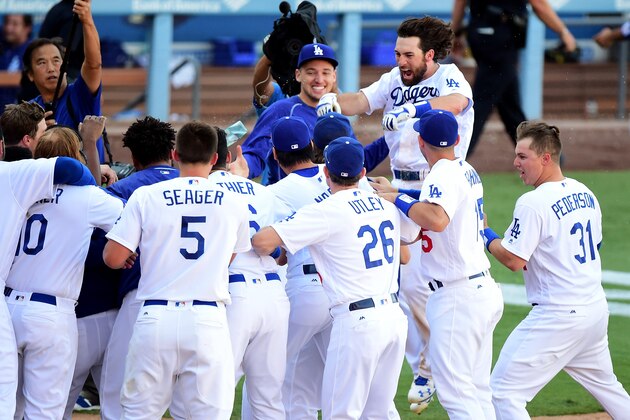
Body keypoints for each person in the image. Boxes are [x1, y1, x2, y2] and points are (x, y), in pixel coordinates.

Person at [317, 17, 475, 412]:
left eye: (408, 54)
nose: (401, 61)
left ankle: (434, 364)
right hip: (397, 187)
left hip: (439, 184)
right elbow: (361, 101)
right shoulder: (394, 80)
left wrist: (413, 111)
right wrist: (334, 100)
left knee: (431, 280)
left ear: (430, 55)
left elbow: (457, 103)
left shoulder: (450, 78)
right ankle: (426, 362)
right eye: (397, 54)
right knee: (397, 280)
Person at [252, 137, 421, 419]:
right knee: (378, 412)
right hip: (393, 319)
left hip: (357, 323)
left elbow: (262, 242)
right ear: (363, 173)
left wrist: (286, 236)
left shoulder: (326, 211)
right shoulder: (384, 205)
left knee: (340, 413)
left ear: (326, 172)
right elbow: (411, 240)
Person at [103, 121, 250, 418]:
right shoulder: (235, 201)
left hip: (155, 317)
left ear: (174, 154)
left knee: (137, 413)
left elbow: (113, 258)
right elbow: (229, 258)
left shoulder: (147, 196)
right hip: (208, 319)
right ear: (214, 159)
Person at [483, 120, 630, 418]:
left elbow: (513, 259)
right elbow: (596, 247)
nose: (515, 163)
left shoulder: (533, 203)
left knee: (503, 391)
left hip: (558, 316)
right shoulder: (585, 192)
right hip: (593, 311)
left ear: (546, 158)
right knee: (608, 387)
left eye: (523, 157)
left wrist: (485, 234)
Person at [382, 109, 504, 418]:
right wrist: (397, 192)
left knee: (457, 396)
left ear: (421, 142)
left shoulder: (441, 174)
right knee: (476, 391)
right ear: (457, 140)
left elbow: (436, 218)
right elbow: (436, 200)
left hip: (457, 298)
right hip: (480, 289)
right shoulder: (464, 169)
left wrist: (397, 199)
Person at [7, 126, 122, 419]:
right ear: (74, 155)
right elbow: (133, 220)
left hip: (7, 309)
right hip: (50, 314)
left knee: (9, 407)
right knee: (45, 411)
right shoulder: (87, 197)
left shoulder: (17, 189)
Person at [0, 138, 95, 418]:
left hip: (13, 302)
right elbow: (68, 167)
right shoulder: (9, 173)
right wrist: (90, 182)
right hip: (48, 312)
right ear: (2, 147)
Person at [205, 127, 291, 419]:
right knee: (268, 398)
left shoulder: (203, 190)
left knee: (215, 391)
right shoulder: (263, 192)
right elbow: (279, 253)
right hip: (274, 297)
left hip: (234, 295)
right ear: (228, 156)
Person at [98, 116, 179, 420]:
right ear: (172, 152)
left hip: (143, 303)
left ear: (133, 156)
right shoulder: (200, 185)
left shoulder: (125, 190)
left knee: (119, 399)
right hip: (203, 309)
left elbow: (103, 251)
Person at [240, 42, 388, 185]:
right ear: (298, 75)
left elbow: (355, 162)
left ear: (334, 76)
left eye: (325, 72)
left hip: (325, 203)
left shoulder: (336, 113)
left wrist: (392, 136)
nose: (319, 80)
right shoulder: (282, 110)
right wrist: (243, 168)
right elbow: (255, 151)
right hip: (286, 202)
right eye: (311, 72)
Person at [451, 0, 577, 156]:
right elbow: (538, 5)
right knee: (480, 105)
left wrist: (455, 31)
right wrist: (563, 31)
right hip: (500, 37)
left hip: (480, 33)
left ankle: (539, 154)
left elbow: (460, 2)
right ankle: (454, 157)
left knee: (510, 107)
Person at [23, 0, 107, 163]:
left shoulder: (80, 94)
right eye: (41, 62)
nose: (51, 68)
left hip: (88, 184)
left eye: (56, 60)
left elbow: (93, 64)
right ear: (30, 74)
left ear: (65, 66)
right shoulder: (28, 112)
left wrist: (87, 21)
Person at [0, 14, 33, 109]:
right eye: (7, 22)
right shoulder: (4, 46)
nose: (8, 28)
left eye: (15, 24)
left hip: (17, 115)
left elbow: (27, 79)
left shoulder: (32, 51)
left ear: (27, 28)